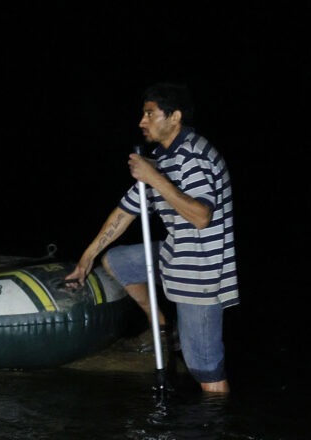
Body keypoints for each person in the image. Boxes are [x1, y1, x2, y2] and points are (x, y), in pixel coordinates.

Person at [65, 82, 237, 394]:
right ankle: (161, 326)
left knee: (206, 370)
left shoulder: (193, 156)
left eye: (149, 114)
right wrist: (85, 259)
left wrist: (152, 176)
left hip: (201, 272)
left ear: (175, 117)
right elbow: (126, 211)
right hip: (176, 255)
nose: (141, 121)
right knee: (118, 261)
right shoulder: (164, 156)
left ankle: (219, 422)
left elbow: (201, 216)